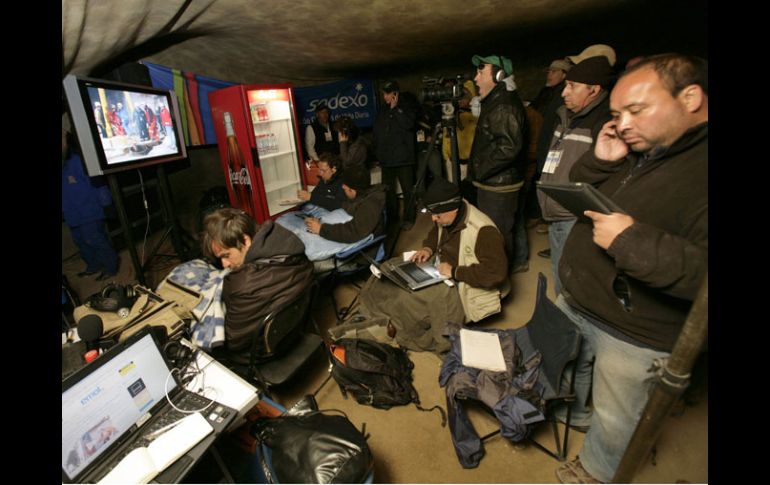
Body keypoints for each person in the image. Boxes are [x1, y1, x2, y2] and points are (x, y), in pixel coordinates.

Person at [553, 54, 708, 484]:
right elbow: (581, 189)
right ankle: (576, 418)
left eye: (636, 110)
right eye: (617, 114)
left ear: (690, 98)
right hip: (582, 299)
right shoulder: (643, 146)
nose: (622, 124)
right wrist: (602, 161)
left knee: (617, 419)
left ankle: (596, 472)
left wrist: (629, 241)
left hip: (634, 330)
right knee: (565, 373)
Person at [355, 177, 508, 354]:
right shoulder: (448, 215)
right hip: (440, 266)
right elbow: (435, 233)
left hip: (461, 281)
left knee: (408, 298)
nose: (434, 219)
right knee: (389, 268)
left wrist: (455, 271)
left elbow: (495, 273)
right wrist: (427, 248)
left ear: (454, 209)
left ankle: (401, 330)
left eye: (438, 215)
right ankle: (375, 313)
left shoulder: (485, 231)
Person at [536, 56, 614, 295]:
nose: (564, 93)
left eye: (572, 86)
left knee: (573, 282)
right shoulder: (565, 116)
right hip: (557, 212)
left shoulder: (603, 123)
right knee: (560, 272)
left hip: (576, 216)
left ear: (594, 90)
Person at [201, 207, 313, 361]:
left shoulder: (242, 285)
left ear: (246, 240)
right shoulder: (288, 241)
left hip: (264, 351)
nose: (225, 264)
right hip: (297, 327)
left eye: (226, 255)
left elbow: (234, 342)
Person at [469, 54, 527, 269]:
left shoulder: (503, 106)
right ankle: (515, 264)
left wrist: (479, 170)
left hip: (498, 185)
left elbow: (508, 148)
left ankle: (500, 277)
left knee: (497, 234)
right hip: (498, 181)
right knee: (507, 228)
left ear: (498, 75)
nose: (476, 78)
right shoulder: (497, 100)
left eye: (480, 71)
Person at [62, 129, 119, 281]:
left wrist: (107, 204)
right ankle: (93, 265)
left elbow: (98, 183)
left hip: (89, 212)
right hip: (72, 215)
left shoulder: (79, 161)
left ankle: (111, 267)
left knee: (94, 239)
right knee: (80, 241)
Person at [373, 80, 417, 230]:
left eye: (388, 94)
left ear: (396, 94)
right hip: (386, 160)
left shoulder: (407, 106)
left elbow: (409, 124)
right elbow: (377, 132)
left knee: (407, 190)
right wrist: (378, 153)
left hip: (403, 159)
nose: (385, 97)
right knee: (388, 191)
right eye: (384, 94)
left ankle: (409, 218)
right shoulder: (382, 110)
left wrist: (396, 108)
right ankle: (392, 219)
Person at [305, 166, 386, 243]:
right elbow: (340, 204)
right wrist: (319, 221)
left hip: (360, 237)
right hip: (349, 230)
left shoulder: (370, 205)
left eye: (345, 187)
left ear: (352, 190)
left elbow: (354, 232)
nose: (343, 187)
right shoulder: (362, 196)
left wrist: (321, 229)